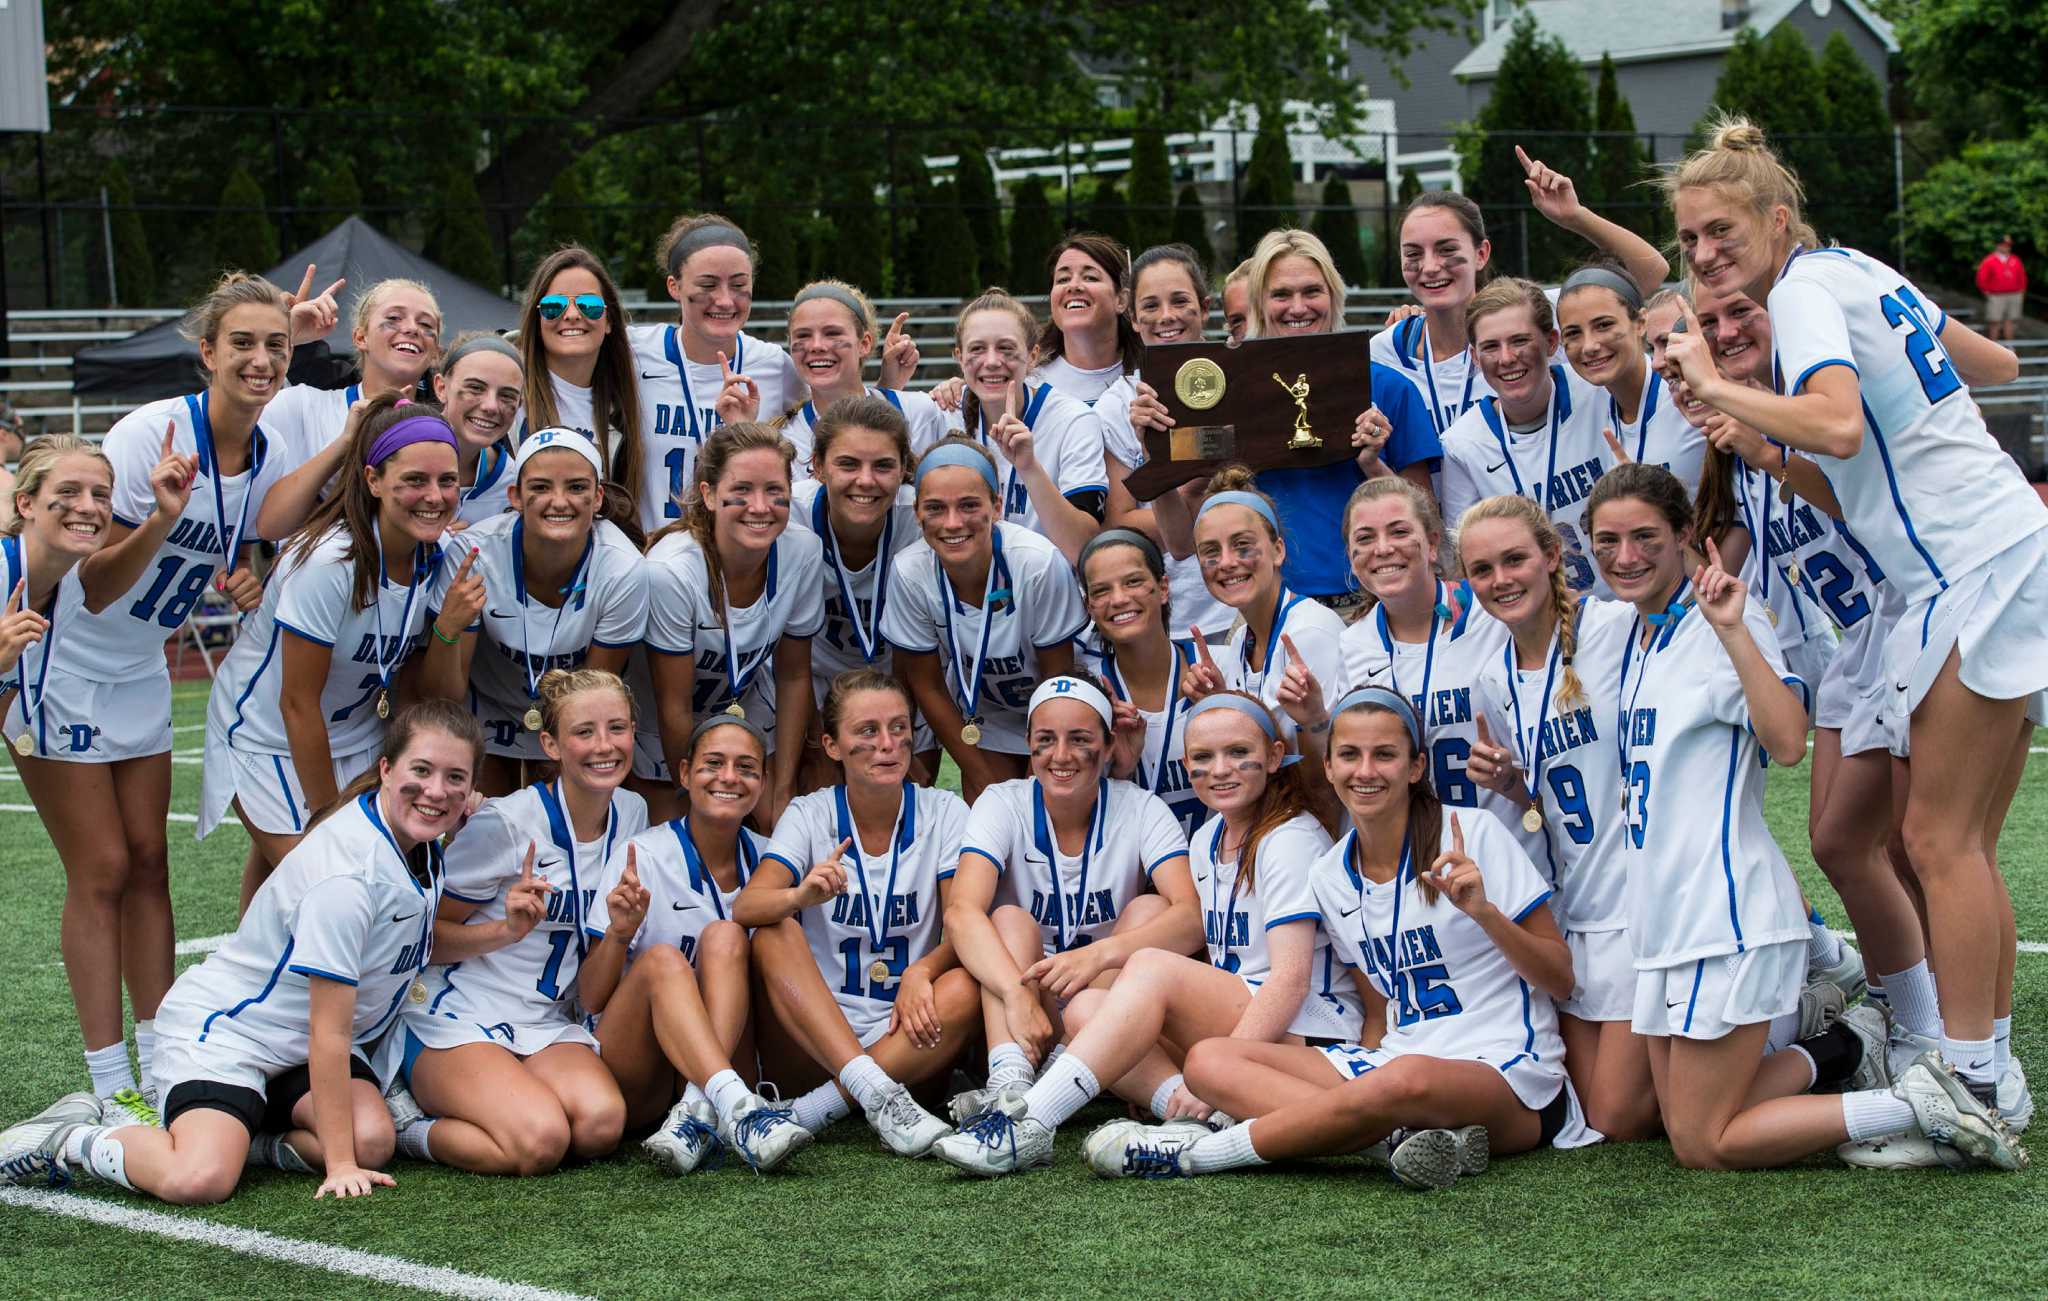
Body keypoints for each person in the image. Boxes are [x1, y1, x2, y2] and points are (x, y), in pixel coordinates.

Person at [1661, 116, 2044, 1122]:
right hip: (1969, 560)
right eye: (1690, 239)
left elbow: (1833, 418)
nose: (1704, 254)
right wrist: (1758, 440)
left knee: (1936, 839)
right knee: (1949, 839)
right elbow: (1986, 369)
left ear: (1773, 218)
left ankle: (1966, 1077)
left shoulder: (1801, 291)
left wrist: (1712, 383)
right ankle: (1984, 1071)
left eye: (1718, 231)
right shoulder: (1854, 270)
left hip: (1970, 564)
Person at [1583, 463, 2018, 1171]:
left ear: (1686, 534)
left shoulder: (1722, 616)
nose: (1625, 557)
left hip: (1722, 915)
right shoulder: (1641, 633)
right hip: (1667, 917)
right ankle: (1848, 1044)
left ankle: (1923, 1104)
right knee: (1663, 1115)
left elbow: (1787, 738)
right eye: (1607, 541)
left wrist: (1731, 629)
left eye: (1644, 537)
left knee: (1705, 1143)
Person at [1082, 687, 1587, 1189]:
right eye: (1349, 754)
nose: (1365, 771)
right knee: (1211, 1060)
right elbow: (1375, 1013)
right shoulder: (1330, 873)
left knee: (1405, 1078)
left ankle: (1198, 1153)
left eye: (1384, 755)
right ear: (1328, 767)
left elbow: (1560, 979)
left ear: (1415, 767)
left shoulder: (1473, 834)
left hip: (1509, 1072)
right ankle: (1392, 1142)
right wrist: (1359, 1081)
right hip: (1395, 1062)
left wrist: (1486, 915)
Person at [0, 701, 478, 1203]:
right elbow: (328, 1032)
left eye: (455, 778)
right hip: (230, 1035)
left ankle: (244, 1135)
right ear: (385, 768)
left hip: (296, 1044)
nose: (436, 791)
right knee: (199, 1180)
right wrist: (337, 1165)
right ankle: (70, 1137)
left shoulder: (416, 842)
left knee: (374, 1141)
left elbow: (418, 944)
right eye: (421, 771)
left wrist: (506, 930)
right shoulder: (348, 876)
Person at [930, 691, 1355, 1176]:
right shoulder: (1207, 838)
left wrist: (1220, 1069)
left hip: (1309, 1027)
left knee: (1150, 966)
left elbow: (1290, 982)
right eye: (1204, 757)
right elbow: (962, 912)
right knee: (1089, 1009)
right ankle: (1188, 1117)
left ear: (1275, 756)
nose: (1220, 769)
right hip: (1249, 1019)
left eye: (1239, 753)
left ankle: (1028, 1126)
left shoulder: (1289, 839)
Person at [46, 276, 286, 1120]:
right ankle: (109, 1081)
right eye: (244, 344)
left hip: (142, 666)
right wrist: (159, 520)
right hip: (66, 661)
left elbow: (245, 534)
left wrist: (251, 570)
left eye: (276, 345)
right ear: (208, 353)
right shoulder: (153, 430)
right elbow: (99, 586)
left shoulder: (267, 447)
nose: (261, 360)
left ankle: (158, 1064)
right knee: (104, 868)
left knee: (152, 862)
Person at [198, 396, 458, 906]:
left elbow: (420, 686)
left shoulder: (439, 556)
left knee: (295, 887)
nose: (434, 496)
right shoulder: (329, 561)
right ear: (373, 480)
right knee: (330, 885)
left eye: (446, 481)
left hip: (358, 733)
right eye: (414, 480)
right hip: (268, 735)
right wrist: (326, 817)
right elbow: (296, 703)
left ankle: (253, 970)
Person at [382, 670, 642, 1175]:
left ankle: (507, 1096)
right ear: (550, 743)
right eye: (584, 732)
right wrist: (505, 930)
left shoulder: (632, 812)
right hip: (457, 1014)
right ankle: (408, 1128)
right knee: (540, 1142)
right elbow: (422, 940)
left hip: (544, 1021)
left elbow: (592, 986)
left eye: (617, 728)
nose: (604, 746)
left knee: (600, 1126)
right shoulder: (506, 825)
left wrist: (620, 929)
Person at [1455, 494, 1654, 1139]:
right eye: (1482, 570)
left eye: (1515, 559)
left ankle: (1819, 1034)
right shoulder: (1493, 675)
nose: (1501, 580)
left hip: (1639, 898)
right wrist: (1515, 787)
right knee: (1590, 1106)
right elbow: (1555, 797)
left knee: (1616, 1115)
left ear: (1552, 556)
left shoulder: (1617, 629)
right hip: (1578, 907)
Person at [932, 675, 1200, 1154]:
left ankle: (1049, 1079)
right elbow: (961, 913)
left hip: (1101, 1004)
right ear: (1028, 747)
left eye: (1080, 739)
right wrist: (1018, 998)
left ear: (1108, 743)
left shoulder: (1141, 808)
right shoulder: (1003, 801)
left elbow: (1191, 916)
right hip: (1024, 1007)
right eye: (1045, 741)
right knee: (1007, 918)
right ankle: (1008, 1079)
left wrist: (1100, 955)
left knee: (1151, 907)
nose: (1062, 755)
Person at [1134, 228, 1438, 612]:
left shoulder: (1388, 388)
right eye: (1281, 294)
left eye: (1312, 291)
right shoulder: (1228, 396)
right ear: (1260, 303)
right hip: (1271, 613)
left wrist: (1373, 464)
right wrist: (1157, 453)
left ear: (1334, 295)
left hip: (1373, 607)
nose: (1298, 307)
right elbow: (1179, 543)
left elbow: (1429, 527)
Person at [739, 670, 973, 1156]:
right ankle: (872, 1092)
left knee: (966, 982)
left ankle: (812, 1112)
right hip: (818, 1036)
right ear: (831, 745)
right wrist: (799, 898)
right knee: (771, 932)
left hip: (908, 1034)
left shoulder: (945, 812)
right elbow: (747, 906)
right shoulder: (810, 813)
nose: (888, 744)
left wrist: (921, 972)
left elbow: (961, 924)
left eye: (899, 727)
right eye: (867, 731)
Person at [579, 713, 814, 1173]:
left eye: (746, 768)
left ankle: (699, 1108)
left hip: (732, 1061)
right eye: (713, 764)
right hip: (640, 1071)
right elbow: (589, 996)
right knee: (664, 960)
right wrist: (619, 933)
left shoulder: (775, 861)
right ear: (685, 773)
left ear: (763, 782)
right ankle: (735, 1107)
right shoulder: (642, 855)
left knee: (727, 938)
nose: (729, 777)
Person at [1371, 151, 1670, 439]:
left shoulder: (1533, 315)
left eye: (1447, 249)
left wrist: (1575, 217)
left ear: (1481, 253)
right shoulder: (1383, 353)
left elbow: (1650, 273)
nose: (1430, 267)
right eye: (1413, 253)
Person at [419, 428, 647, 796]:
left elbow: (591, 697)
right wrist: (447, 627)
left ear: (598, 497)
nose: (559, 501)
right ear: (515, 496)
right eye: (540, 487)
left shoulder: (623, 569)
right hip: (484, 709)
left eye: (576, 487)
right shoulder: (474, 553)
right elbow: (441, 697)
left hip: (571, 718)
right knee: (484, 827)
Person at [880, 439, 1085, 803]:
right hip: (983, 714)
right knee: (987, 805)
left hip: (1056, 708)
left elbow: (1058, 679)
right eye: (935, 508)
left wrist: (1042, 769)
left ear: (997, 507)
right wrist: (980, 777)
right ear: (917, 514)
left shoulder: (1037, 564)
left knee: (1048, 805)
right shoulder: (909, 572)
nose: (953, 522)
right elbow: (927, 685)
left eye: (969, 505)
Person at [1336, 476, 1530, 853]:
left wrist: (1508, 779)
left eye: (1399, 531)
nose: (1383, 548)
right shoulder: (1352, 644)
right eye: (1365, 538)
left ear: (1433, 543)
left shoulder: (1493, 613)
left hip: (1512, 855)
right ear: (1351, 558)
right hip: (1418, 869)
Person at [642, 422, 821, 829]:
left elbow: (794, 675)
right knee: (683, 841)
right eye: (741, 491)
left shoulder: (803, 551)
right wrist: (694, 797)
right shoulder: (672, 571)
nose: (760, 506)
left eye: (775, 491)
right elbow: (674, 707)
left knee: (783, 828)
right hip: (663, 735)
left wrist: (783, 787)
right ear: (708, 494)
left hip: (747, 711)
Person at [1094, 244, 1241, 643]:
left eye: (1179, 301)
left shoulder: (1241, 379)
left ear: (1204, 307)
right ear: (1133, 317)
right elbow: (1120, 521)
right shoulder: (1118, 403)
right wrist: (1186, 489)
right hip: (1171, 618)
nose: (1167, 317)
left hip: (1244, 610)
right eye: (1151, 305)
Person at [788, 395, 936, 791]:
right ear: (817, 466)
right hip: (811, 681)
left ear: (905, 468)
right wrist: (814, 745)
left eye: (883, 465)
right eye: (848, 464)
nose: (866, 481)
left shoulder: (920, 518)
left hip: (903, 681)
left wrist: (902, 727)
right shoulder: (790, 515)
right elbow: (789, 661)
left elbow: (921, 646)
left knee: (906, 800)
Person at [1438, 277, 1618, 596]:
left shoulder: (1598, 394)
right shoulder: (1462, 444)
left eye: (1520, 340)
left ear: (1551, 342)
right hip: (1539, 621)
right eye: (1491, 346)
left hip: (1628, 606)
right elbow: (1462, 561)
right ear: (1475, 357)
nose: (1506, 358)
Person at [632, 215, 808, 532]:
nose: (725, 300)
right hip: (656, 557)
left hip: (739, 556)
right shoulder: (636, 353)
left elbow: (832, 418)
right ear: (675, 286)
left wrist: (890, 385)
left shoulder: (773, 364)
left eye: (739, 286)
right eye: (708, 285)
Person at [254, 277, 442, 537]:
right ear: (360, 337)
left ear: (435, 353)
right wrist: (283, 337)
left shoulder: (444, 434)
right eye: (395, 318)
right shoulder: (303, 406)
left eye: (425, 324)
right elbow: (225, 418)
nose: (412, 329)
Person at [948, 288, 1109, 563]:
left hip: (1050, 594)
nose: (992, 362)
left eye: (1006, 348)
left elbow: (1082, 546)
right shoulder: (944, 412)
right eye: (977, 349)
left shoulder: (1074, 420)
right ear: (959, 357)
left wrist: (1028, 467)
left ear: (1033, 356)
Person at [1077, 528, 1205, 836]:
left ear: (1163, 588)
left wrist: (1223, 709)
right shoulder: (1086, 695)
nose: (1119, 599)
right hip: (1135, 874)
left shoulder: (1218, 668)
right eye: (1102, 591)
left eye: (1133, 582)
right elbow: (1069, 817)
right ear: (1089, 607)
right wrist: (1120, 770)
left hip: (1222, 869)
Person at [514, 246, 645, 526]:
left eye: (589, 305)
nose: (572, 314)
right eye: (554, 306)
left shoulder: (628, 403)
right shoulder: (507, 395)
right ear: (537, 321)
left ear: (609, 321)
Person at [1555, 262, 1705, 494]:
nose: (1589, 346)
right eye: (1573, 333)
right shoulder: (1583, 413)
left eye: (1603, 325)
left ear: (1641, 323)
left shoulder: (1690, 398)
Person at [779, 280, 946, 478]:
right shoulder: (784, 441)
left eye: (832, 333)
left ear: (864, 344)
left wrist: (957, 386)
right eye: (803, 335)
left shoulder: (919, 414)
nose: (816, 346)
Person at [1031, 233, 1145, 404]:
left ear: (1121, 300)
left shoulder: (1150, 378)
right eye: (1063, 279)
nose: (1073, 286)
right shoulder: (1029, 384)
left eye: (1090, 277)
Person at [1975, 235, 2025, 343]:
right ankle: (1994, 346)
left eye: (2008, 245)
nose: (2006, 247)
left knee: (2010, 320)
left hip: (2014, 294)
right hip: (1996, 295)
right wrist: (1986, 291)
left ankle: (2010, 346)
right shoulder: (1990, 260)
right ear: (1998, 245)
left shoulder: (2015, 259)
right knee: (1994, 321)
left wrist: (2021, 289)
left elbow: (2022, 276)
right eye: (2004, 245)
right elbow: (1981, 277)